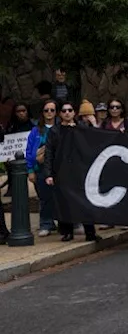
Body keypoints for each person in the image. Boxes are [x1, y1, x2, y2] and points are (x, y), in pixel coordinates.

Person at [45, 102, 99, 243]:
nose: (67, 113)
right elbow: (49, 153)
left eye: (70, 110)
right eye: (64, 111)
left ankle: (90, 232)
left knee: (85, 201)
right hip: (62, 170)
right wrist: (49, 174)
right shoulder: (55, 131)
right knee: (65, 202)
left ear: (74, 112)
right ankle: (67, 232)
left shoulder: (82, 128)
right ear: (60, 114)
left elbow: (95, 141)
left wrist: (93, 123)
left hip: (81, 170)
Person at [25, 100, 60, 236]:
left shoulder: (60, 127)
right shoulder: (36, 130)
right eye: (46, 110)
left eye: (52, 110)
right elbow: (29, 152)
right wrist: (30, 170)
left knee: (62, 196)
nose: (49, 113)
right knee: (45, 198)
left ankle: (68, 223)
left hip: (59, 168)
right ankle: (46, 224)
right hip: (40, 169)